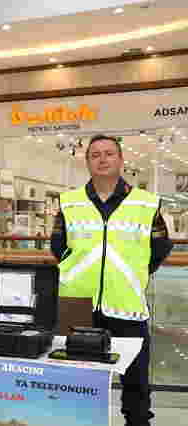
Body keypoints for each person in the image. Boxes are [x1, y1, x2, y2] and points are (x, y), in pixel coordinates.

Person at [50, 134, 173, 426]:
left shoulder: (146, 203)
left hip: (126, 302)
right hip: (76, 302)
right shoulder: (69, 202)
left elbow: (160, 247)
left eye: (109, 153)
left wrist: (133, 273)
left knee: (136, 380)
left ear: (121, 160)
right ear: (87, 162)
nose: (102, 159)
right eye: (95, 155)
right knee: (74, 378)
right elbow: (58, 245)